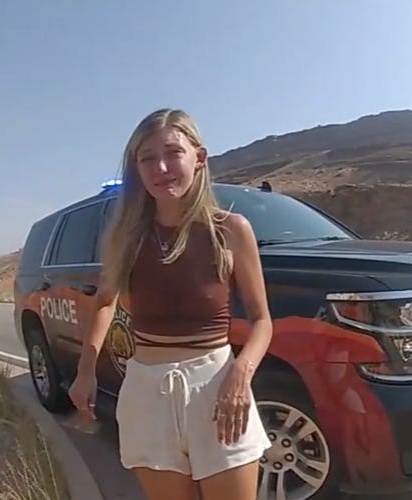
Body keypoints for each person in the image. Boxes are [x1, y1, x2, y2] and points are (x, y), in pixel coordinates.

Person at [68, 108, 274, 500]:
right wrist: (85, 371)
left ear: (199, 158)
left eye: (172, 153)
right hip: (146, 394)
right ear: (137, 169)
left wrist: (241, 374)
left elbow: (263, 319)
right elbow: (105, 304)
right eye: (147, 158)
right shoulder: (125, 238)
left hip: (217, 388)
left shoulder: (230, 230)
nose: (161, 167)